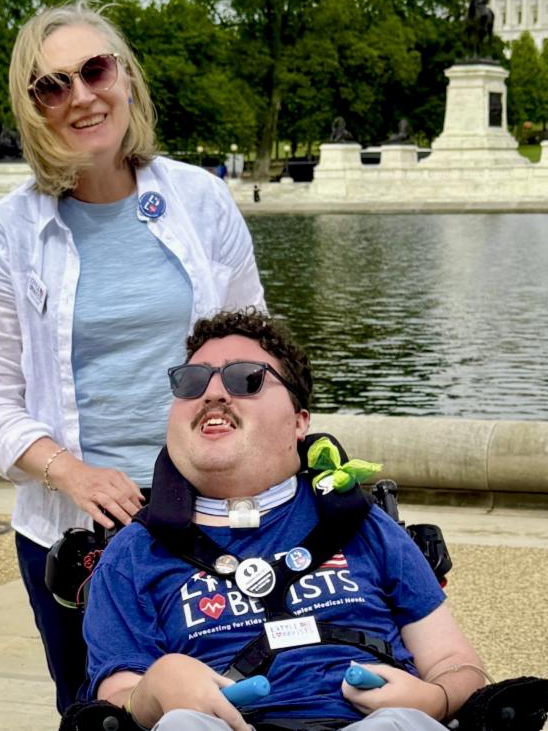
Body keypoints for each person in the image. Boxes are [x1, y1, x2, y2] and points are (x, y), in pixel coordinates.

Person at [0, 1, 266, 713]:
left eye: (95, 70)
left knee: (231, 704)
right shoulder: (8, 232)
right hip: (72, 532)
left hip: (210, 510)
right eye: (52, 85)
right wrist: (72, 473)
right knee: (98, 712)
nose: (81, 96)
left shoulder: (202, 199)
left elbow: (255, 353)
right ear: (33, 106)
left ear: (125, 77)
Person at [81, 309, 488, 731]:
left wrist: (435, 699)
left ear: (299, 421)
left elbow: (455, 664)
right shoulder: (134, 552)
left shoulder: (365, 527)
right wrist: (153, 689)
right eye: (192, 381)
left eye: (246, 378)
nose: (212, 393)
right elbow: (116, 695)